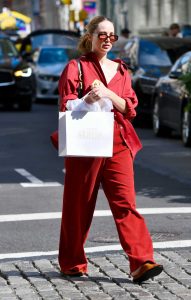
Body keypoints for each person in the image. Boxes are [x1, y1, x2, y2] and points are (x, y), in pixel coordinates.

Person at [58, 15, 163, 283]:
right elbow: (66, 102)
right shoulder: (76, 67)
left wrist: (107, 93)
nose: (107, 40)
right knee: (78, 204)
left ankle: (141, 262)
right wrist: (87, 98)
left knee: (126, 204)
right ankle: (72, 262)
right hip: (87, 142)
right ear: (90, 36)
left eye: (112, 36)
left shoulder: (121, 70)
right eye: (102, 35)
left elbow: (130, 107)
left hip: (119, 143)